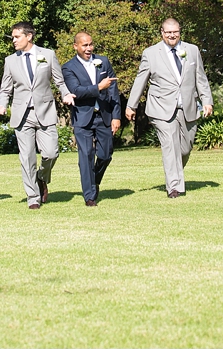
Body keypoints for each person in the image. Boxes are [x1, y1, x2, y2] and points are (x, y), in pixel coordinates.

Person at [126, 18, 213, 198]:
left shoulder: (192, 50)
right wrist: (131, 105)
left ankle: (175, 173)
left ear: (180, 32)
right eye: (168, 32)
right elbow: (140, 81)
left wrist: (207, 101)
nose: (172, 35)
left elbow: (200, 78)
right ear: (162, 32)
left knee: (185, 148)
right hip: (161, 108)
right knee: (170, 146)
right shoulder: (151, 53)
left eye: (175, 32)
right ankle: (174, 187)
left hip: (187, 106)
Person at [0, 22, 74, 210]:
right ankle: (33, 197)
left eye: (17, 37)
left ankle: (41, 177)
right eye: (13, 37)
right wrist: (1, 104)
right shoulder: (10, 61)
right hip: (22, 115)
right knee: (27, 157)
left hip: (45, 111)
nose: (13, 40)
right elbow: (5, 89)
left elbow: (59, 80)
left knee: (51, 153)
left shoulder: (48, 55)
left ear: (29, 36)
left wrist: (66, 94)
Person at [60, 32, 121, 207]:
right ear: (75, 46)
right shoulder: (68, 67)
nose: (88, 48)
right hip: (82, 117)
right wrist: (98, 87)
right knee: (86, 155)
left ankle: (93, 181)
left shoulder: (103, 62)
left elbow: (113, 90)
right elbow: (76, 91)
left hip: (104, 116)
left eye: (90, 45)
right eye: (84, 45)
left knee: (105, 154)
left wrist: (116, 116)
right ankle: (89, 196)